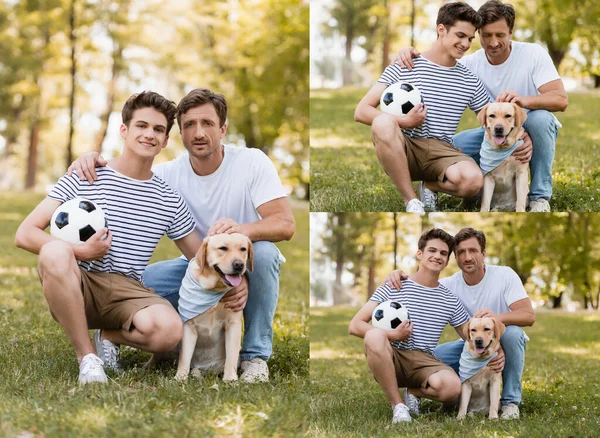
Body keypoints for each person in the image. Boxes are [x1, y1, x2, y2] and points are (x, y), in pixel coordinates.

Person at [68, 88, 296, 383]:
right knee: (133, 286)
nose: (199, 133)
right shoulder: (167, 175)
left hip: (244, 261)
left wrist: (242, 231)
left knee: (263, 252)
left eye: (208, 124)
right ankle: (111, 335)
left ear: (223, 129)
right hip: (195, 266)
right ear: (178, 134)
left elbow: (285, 224)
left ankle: (254, 357)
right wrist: (88, 158)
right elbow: (127, 169)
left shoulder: (252, 162)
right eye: (189, 125)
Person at [14, 91, 202, 384]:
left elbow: (199, 256)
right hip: (81, 282)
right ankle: (88, 359)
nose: (149, 134)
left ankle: (110, 337)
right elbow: (25, 233)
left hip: (129, 290)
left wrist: (235, 280)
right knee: (54, 251)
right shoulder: (85, 175)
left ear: (166, 140)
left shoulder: (168, 198)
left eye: (158, 129)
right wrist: (81, 251)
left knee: (169, 332)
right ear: (124, 130)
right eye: (141, 125)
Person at [394, 0, 568, 212]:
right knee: (451, 147)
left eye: (500, 35)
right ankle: (430, 185)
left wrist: (523, 104)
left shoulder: (533, 54)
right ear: (478, 34)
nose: (493, 42)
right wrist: (409, 51)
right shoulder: (469, 64)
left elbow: (560, 99)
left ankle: (539, 197)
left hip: (528, 124)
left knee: (541, 119)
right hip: (493, 129)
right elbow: (439, 59)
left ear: (511, 32)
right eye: (486, 35)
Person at [354, 2, 492, 213]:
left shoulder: (469, 80)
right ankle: (411, 201)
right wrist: (404, 122)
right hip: (404, 147)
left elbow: (491, 116)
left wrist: (519, 135)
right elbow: (361, 110)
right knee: (382, 121)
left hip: (443, 152)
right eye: (460, 35)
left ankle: (429, 185)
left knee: (473, 181)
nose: (465, 44)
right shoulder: (405, 64)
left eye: (470, 39)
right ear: (441, 29)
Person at [385, 227, 535, 419]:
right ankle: (414, 392)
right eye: (461, 252)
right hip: (470, 344)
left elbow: (528, 316)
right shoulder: (449, 285)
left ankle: (510, 403)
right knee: (431, 357)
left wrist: (497, 321)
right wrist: (396, 274)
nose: (467, 257)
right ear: (455, 257)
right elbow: (421, 283)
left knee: (513, 333)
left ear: (483, 254)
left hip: (502, 339)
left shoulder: (504, 275)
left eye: (473, 251)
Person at [349, 228, 470, 423]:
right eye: (432, 250)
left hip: (425, 361)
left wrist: (495, 350)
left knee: (452, 388)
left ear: (447, 261)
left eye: (443, 253)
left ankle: (413, 392)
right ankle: (398, 406)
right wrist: (393, 336)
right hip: (392, 355)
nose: (437, 256)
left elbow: (468, 335)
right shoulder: (394, 285)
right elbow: (355, 325)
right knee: (374, 335)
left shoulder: (450, 300)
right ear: (420, 254)